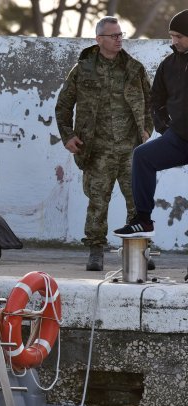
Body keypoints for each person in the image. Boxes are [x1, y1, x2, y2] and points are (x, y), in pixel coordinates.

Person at [55, 16, 152, 271]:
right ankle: (95, 251)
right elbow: (64, 105)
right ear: (99, 40)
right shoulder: (82, 69)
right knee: (98, 202)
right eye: (113, 36)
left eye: (121, 35)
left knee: (137, 203)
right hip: (96, 149)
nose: (119, 39)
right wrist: (67, 136)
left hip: (132, 149)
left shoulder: (134, 68)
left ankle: (140, 252)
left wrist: (146, 130)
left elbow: (151, 101)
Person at [113, 10, 188, 239]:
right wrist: (166, 128)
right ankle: (143, 220)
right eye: (172, 35)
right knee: (143, 156)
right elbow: (157, 99)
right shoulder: (169, 64)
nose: (174, 41)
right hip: (179, 138)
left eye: (179, 36)